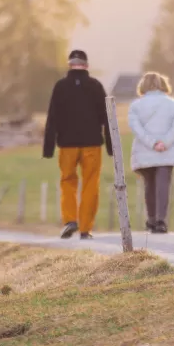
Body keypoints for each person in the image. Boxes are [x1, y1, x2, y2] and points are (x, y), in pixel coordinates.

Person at [42, 49, 113, 240]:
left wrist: (48, 147)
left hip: (67, 145)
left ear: (69, 65)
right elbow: (107, 117)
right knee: (90, 184)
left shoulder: (60, 87)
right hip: (92, 144)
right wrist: (111, 145)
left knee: (67, 181)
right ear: (86, 65)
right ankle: (85, 229)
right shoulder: (96, 86)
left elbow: (53, 117)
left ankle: (70, 220)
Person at [128, 72, 174, 234]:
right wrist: (165, 142)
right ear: (163, 84)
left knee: (149, 185)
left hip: (145, 150)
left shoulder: (136, 106)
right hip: (167, 152)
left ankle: (151, 219)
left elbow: (137, 129)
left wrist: (152, 143)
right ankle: (161, 220)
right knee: (164, 184)